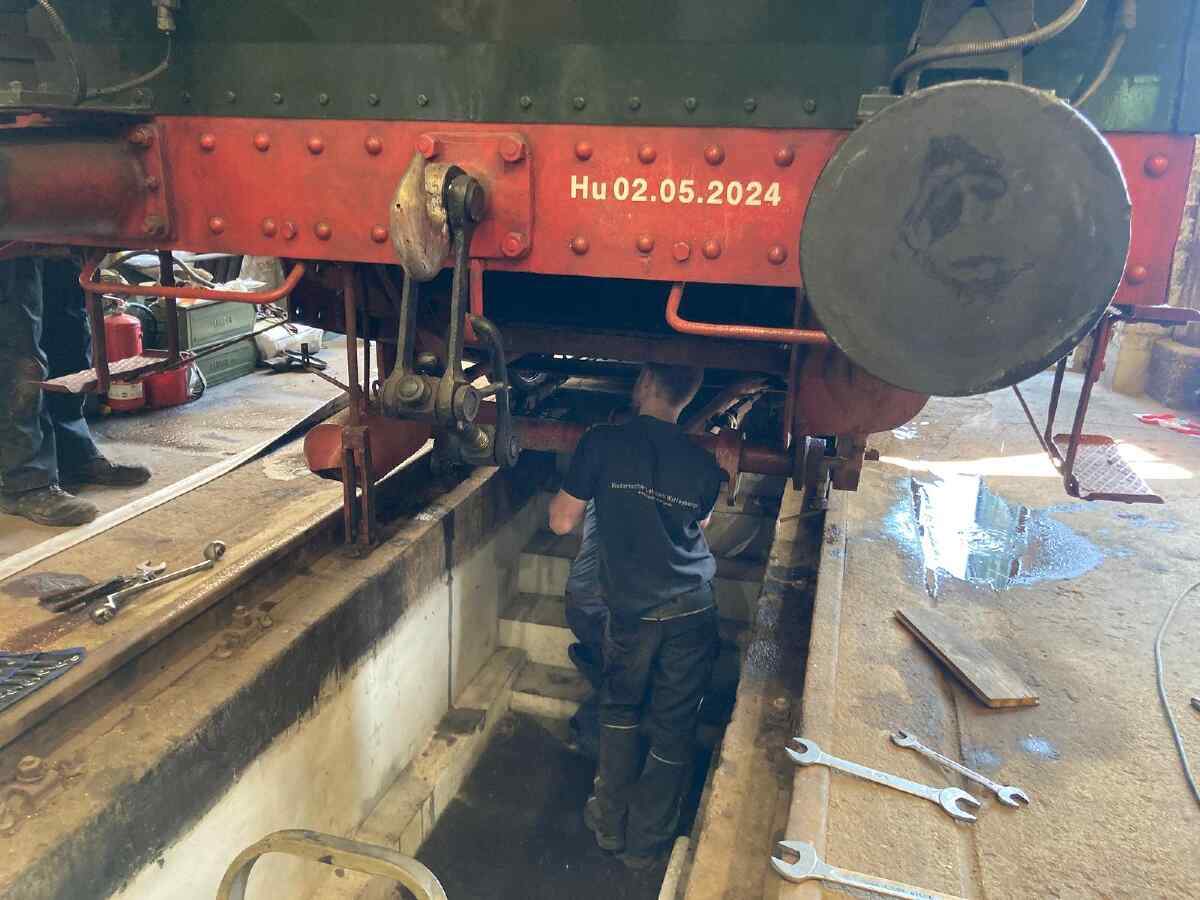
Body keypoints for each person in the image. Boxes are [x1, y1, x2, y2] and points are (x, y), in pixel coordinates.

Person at [549, 363, 724, 869]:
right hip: (693, 606)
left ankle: (608, 826)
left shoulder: (602, 442)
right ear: (687, 397)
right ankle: (646, 845)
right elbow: (699, 523)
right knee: (674, 727)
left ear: (644, 383)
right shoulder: (704, 463)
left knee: (620, 712)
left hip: (632, 611)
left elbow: (560, 522)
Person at [0, 256, 151, 526]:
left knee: (69, 335)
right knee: (17, 344)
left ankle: (73, 455)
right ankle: (24, 482)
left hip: (49, 237)